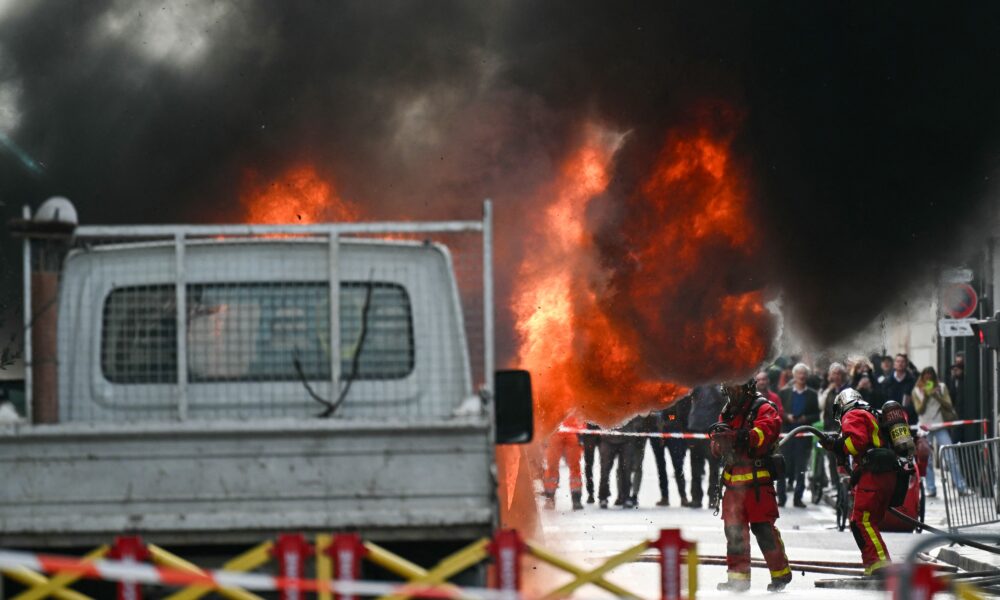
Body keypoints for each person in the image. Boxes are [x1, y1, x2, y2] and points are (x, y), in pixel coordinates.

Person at [710, 381, 792, 592]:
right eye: (729, 388)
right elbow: (718, 446)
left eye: (735, 388)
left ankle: (780, 574)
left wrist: (743, 436)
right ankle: (738, 580)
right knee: (734, 533)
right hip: (733, 486)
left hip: (757, 483)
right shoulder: (727, 411)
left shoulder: (762, 407)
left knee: (763, 530)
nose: (731, 392)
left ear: (746, 387)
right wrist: (718, 443)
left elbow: (768, 431)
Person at [820, 389, 898, 576]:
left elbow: (856, 442)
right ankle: (874, 566)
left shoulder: (852, 414)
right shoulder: (871, 413)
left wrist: (837, 445)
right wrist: (837, 445)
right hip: (886, 473)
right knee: (866, 522)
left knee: (861, 521)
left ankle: (880, 566)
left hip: (873, 474)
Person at [912, 367, 972, 497]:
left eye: (930, 376)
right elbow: (919, 410)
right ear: (922, 377)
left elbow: (949, 405)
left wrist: (936, 395)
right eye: (925, 376)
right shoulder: (917, 390)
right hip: (925, 427)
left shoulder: (942, 387)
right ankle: (931, 488)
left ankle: (961, 487)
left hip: (940, 425)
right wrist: (927, 396)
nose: (928, 379)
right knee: (926, 459)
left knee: (951, 456)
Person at [777, 363, 819, 507]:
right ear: (794, 375)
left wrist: (805, 419)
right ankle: (781, 497)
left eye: (804, 373)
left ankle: (798, 498)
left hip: (803, 438)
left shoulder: (812, 394)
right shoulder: (784, 393)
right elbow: (778, 411)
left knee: (801, 470)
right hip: (787, 437)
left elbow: (816, 415)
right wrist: (786, 416)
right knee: (782, 468)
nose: (801, 376)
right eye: (799, 373)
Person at [687, 385, 727, 509]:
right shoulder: (697, 384)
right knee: (695, 467)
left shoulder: (718, 386)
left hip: (712, 430)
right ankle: (696, 498)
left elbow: (723, 400)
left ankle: (713, 498)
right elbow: (687, 393)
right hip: (696, 428)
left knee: (714, 468)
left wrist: (712, 383)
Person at [817, 362, 850, 489]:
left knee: (843, 458)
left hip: (842, 429)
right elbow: (823, 408)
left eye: (838, 373)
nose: (835, 376)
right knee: (831, 459)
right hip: (829, 429)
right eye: (833, 373)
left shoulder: (847, 390)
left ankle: (844, 485)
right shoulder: (830, 391)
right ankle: (835, 485)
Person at [598, 416, 641, 509]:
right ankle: (603, 497)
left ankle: (625, 497)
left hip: (627, 438)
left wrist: (634, 426)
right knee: (605, 470)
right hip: (608, 439)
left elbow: (638, 415)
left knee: (626, 470)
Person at [543, 414, 584, 510]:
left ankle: (576, 498)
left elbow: (582, 413)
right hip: (554, 434)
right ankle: (550, 497)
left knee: (575, 467)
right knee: (552, 466)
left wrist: (581, 432)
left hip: (572, 433)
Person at [657, 394, 692, 506]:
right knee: (661, 466)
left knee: (678, 466)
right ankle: (665, 496)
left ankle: (683, 496)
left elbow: (677, 415)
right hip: (661, 432)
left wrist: (668, 421)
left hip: (674, 432)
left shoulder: (680, 393)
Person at [881, 354, 916, 419]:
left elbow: (914, 400)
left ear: (906, 364)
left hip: (908, 417)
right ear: (894, 364)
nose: (900, 364)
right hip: (890, 416)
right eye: (898, 361)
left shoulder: (912, 381)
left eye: (902, 362)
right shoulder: (887, 381)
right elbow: (883, 399)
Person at [578, 422, 602, 504]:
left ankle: (602, 495)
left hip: (602, 433)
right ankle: (591, 493)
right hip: (588, 433)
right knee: (588, 465)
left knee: (605, 465)